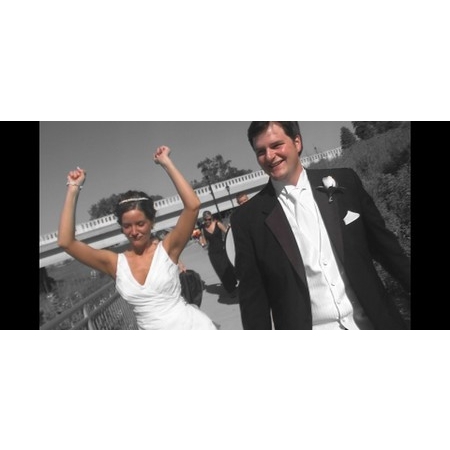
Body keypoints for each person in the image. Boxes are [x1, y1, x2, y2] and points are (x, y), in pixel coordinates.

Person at [230, 121, 411, 330]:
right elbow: (254, 302)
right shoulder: (247, 219)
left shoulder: (345, 182)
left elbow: (387, 249)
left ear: (297, 142)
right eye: (261, 151)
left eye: (276, 145)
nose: (270, 156)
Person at [57, 145, 217, 330]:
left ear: (152, 222)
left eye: (140, 223)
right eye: (127, 226)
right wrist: (73, 188)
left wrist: (166, 163)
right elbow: (66, 242)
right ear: (121, 228)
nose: (134, 231)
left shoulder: (168, 250)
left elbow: (193, 205)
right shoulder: (114, 263)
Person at [199, 210, 238, 296]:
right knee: (220, 271)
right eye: (206, 219)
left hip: (223, 250)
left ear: (212, 218)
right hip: (213, 253)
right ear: (203, 219)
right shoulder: (203, 229)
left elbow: (227, 233)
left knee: (228, 269)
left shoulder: (218, 224)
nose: (207, 221)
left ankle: (234, 285)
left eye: (209, 219)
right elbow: (204, 244)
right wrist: (201, 241)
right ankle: (230, 290)